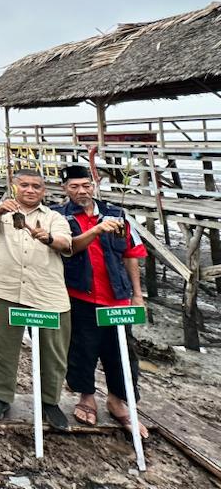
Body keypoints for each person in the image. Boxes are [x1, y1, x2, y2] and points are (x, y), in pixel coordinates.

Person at [53, 165, 148, 436]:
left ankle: (118, 401)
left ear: (94, 184)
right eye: (74, 187)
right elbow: (65, 247)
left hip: (117, 297)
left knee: (123, 353)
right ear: (64, 189)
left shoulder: (117, 214)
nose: (81, 191)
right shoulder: (59, 216)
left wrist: (137, 295)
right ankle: (86, 396)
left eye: (86, 185)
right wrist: (95, 231)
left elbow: (132, 254)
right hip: (79, 294)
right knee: (82, 349)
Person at [0, 169, 73, 431]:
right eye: (25, 185)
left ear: (44, 191)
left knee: (53, 351)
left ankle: (50, 401)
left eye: (37, 187)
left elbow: (67, 243)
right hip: (3, 287)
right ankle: (0, 395)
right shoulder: (2, 208)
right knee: (0, 345)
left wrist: (49, 238)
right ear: (14, 186)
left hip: (46, 291)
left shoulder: (54, 217)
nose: (30, 190)